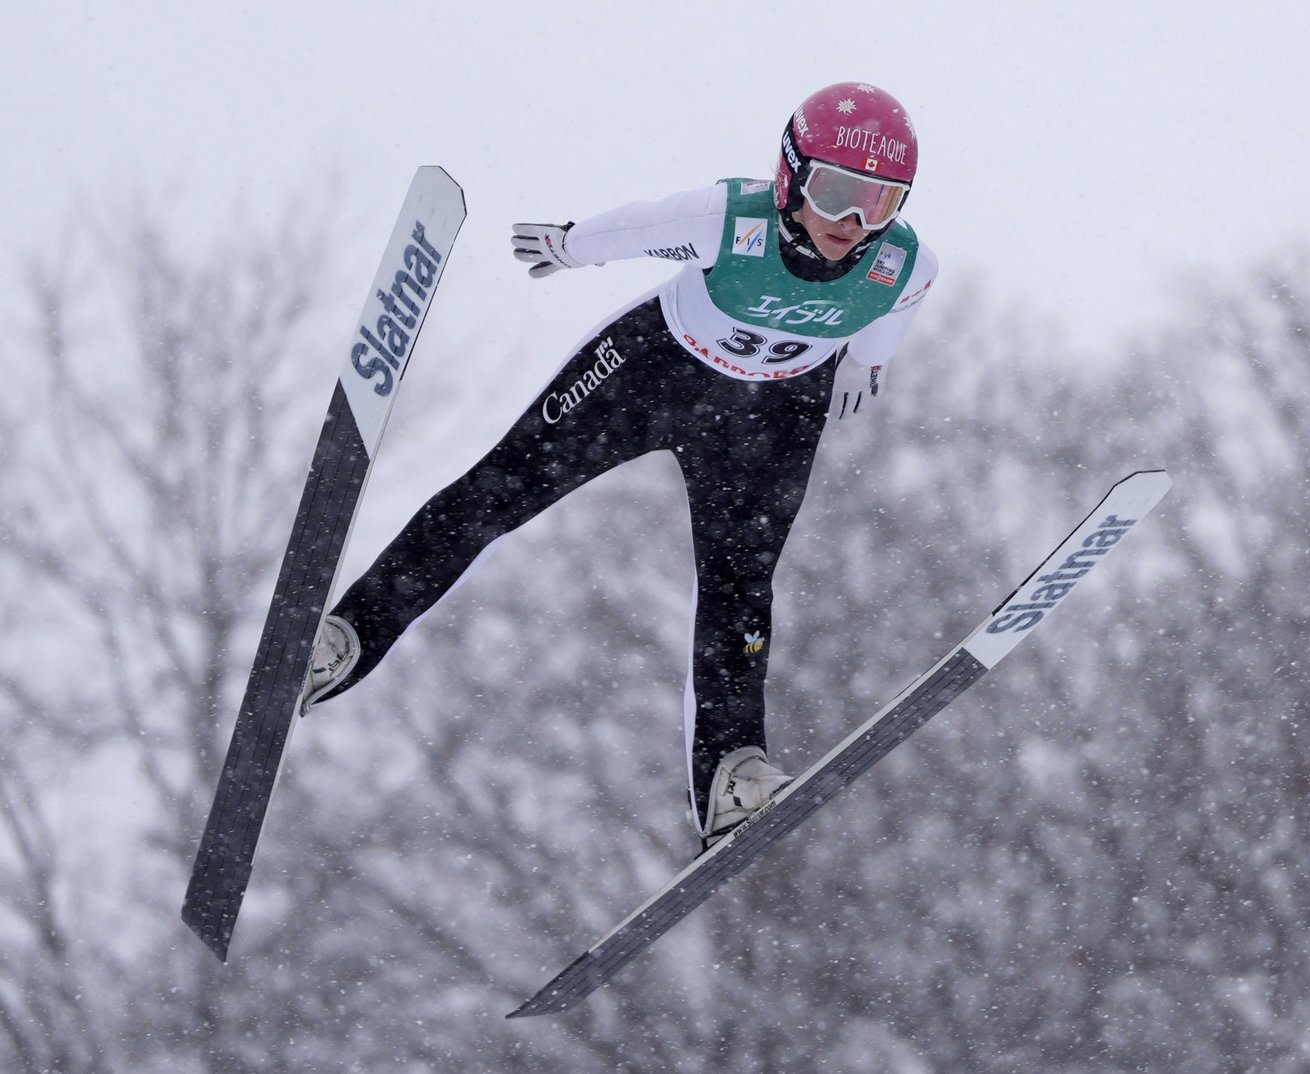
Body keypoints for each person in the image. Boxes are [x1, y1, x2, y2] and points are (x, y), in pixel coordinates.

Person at [305, 82, 939, 850]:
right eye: (838, 192)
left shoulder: (902, 264)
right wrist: (571, 245)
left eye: (881, 202)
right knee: (497, 493)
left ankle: (729, 774)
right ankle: (347, 637)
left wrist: (864, 365)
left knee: (742, 586)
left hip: (771, 418)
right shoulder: (730, 219)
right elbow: (645, 228)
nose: (854, 223)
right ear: (790, 174)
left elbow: (900, 304)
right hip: (652, 377)